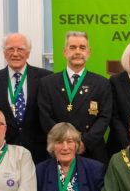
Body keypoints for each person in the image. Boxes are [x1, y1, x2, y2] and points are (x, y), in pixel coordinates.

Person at [38, 31, 112, 163]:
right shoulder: (47, 83)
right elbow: (45, 117)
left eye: (82, 48)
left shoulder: (102, 83)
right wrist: (63, 142)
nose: (77, 52)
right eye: (72, 47)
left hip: (91, 152)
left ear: (88, 52)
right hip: (58, 151)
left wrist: (84, 142)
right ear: (64, 51)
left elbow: (104, 117)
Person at [0, 33, 52, 164]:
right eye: (10, 49)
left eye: (20, 49)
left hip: (39, 153)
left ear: (28, 53)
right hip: (3, 152)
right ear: (4, 52)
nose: (15, 53)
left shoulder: (46, 78)